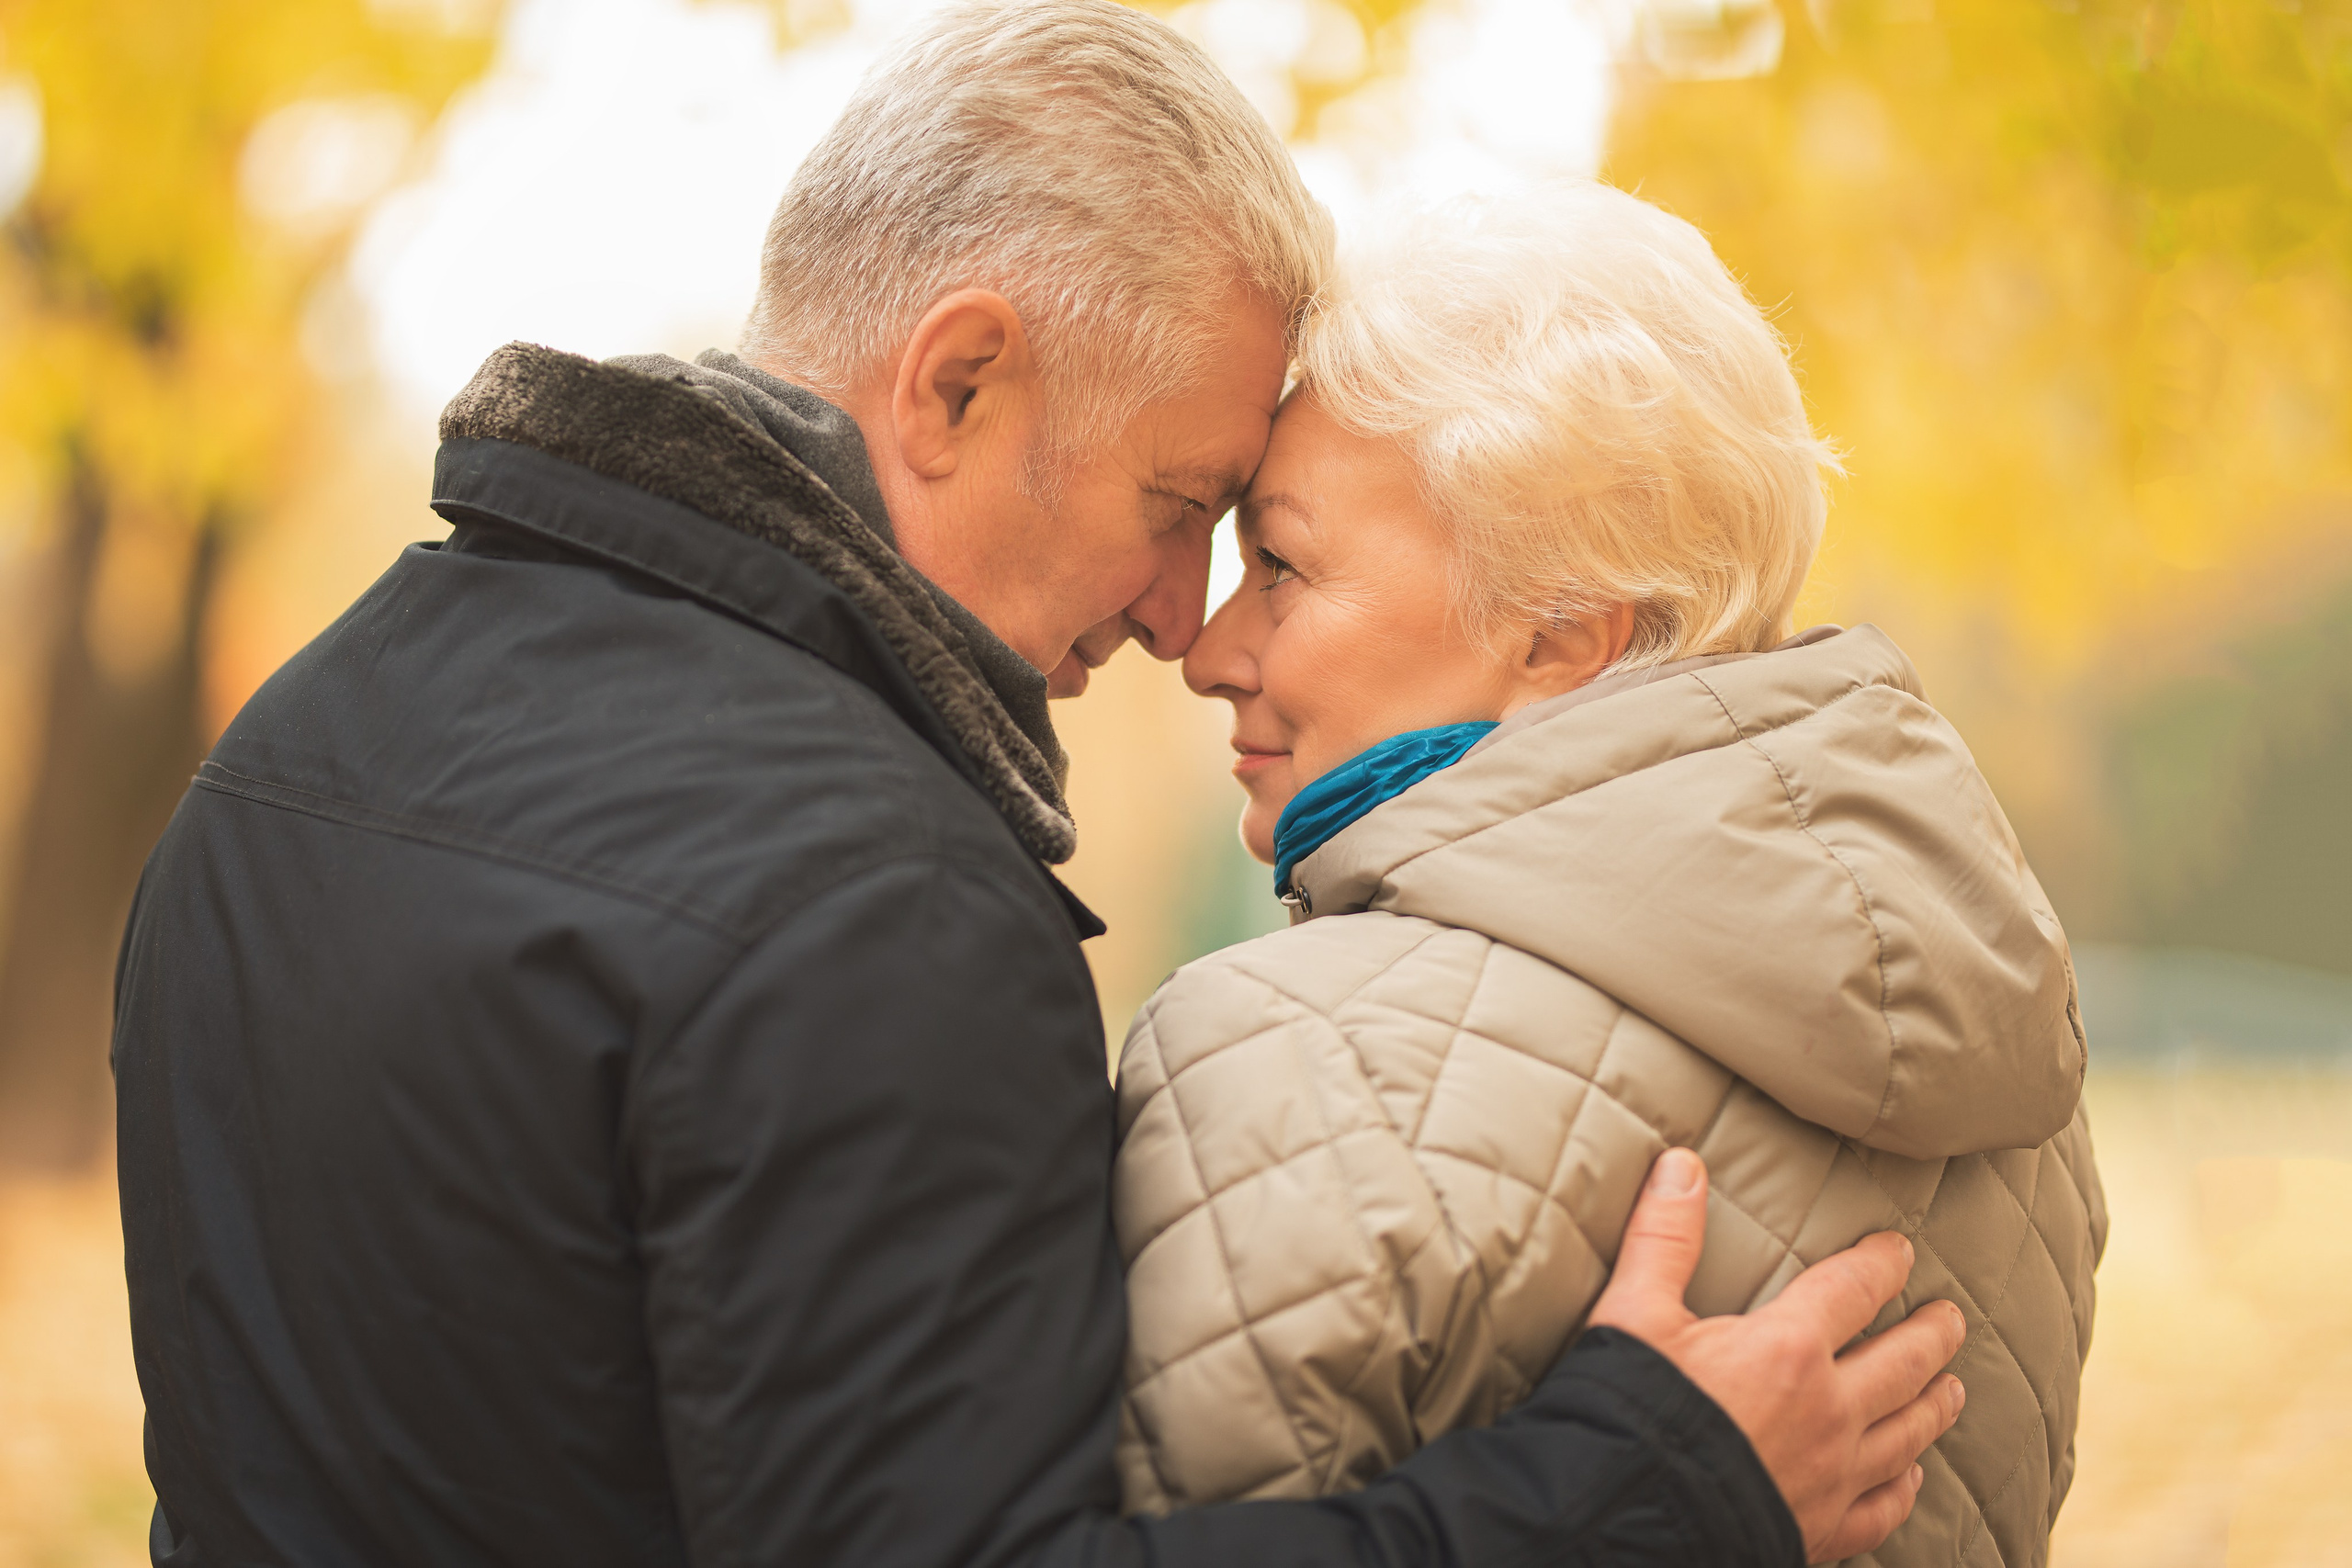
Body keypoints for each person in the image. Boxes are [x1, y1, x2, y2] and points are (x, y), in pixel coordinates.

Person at [112, 6, 1965, 1566]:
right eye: (1177, 508)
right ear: (956, 385)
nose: (1182, 617)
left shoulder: (290, 754)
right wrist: (1640, 1490)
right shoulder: (865, 894)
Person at [1111, 185, 2107, 1567]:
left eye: (1280, 565)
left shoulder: (1280, 1058)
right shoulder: (2014, 1090)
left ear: (1567, 632)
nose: (1208, 649)